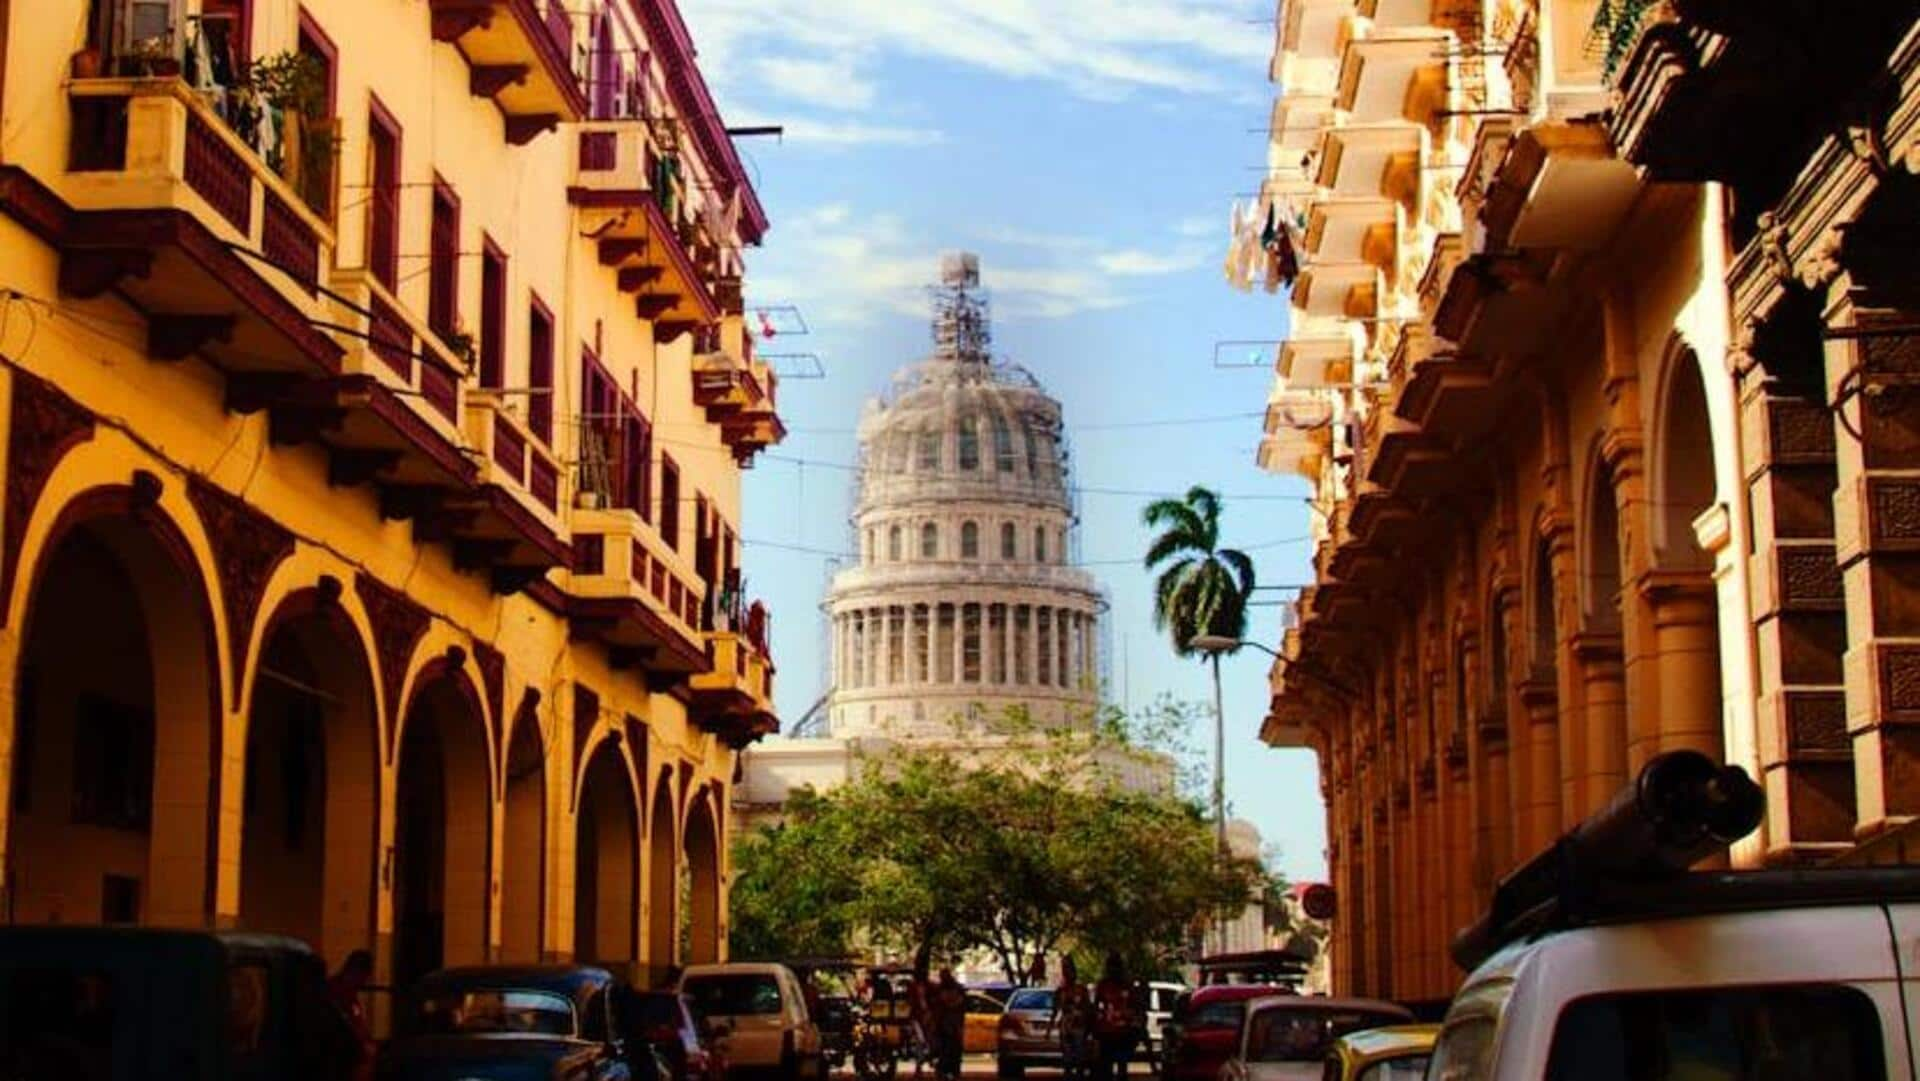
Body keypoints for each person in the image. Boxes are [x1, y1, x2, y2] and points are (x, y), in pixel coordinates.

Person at [327, 950, 377, 1081]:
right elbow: (347, 1024)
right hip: (339, 1056)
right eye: (364, 977)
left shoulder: (348, 993)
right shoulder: (335, 993)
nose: (364, 982)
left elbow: (356, 1020)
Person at [1092, 955, 1137, 1081]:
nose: (1113, 970)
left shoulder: (1128, 985)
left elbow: (1135, 1006)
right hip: (1106, 1031)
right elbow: (1097, 1007)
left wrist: (1129, 1017)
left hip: (1123, 1032)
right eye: (1111, 967)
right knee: (1106, 1066)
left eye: (1116, 967)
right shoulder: (1103, 985)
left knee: (1122, 1065)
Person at [1052, 958, 1091, 1081]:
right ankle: (1068, 1073)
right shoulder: (1060, 991)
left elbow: (1088, 1007)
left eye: (1069, 969)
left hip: (1079, 1026)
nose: (1068, 973)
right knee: (1067, 1054)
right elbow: (1055, 1009)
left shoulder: (1081, 989)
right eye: (1065, 970)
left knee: (1079, 1054)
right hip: (1066, 1026)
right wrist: (1050, 1027)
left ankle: (1079, 1073)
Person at [931, 969, 967, 1081]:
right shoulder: (939, 989)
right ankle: (946, 1070)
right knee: (945, 1049)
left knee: (953, 1049)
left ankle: (952, 1070)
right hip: (944, 1024)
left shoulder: (955, 989)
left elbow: (961, 1003)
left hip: (952, 1023)